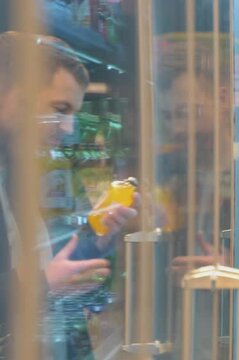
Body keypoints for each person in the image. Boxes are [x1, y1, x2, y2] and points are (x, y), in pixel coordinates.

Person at [0, 31, 137, 358]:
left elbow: (36, 267)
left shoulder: (15, 172)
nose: (68, 129)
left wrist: (96, 237)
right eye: (59, 109)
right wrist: (42, 284)